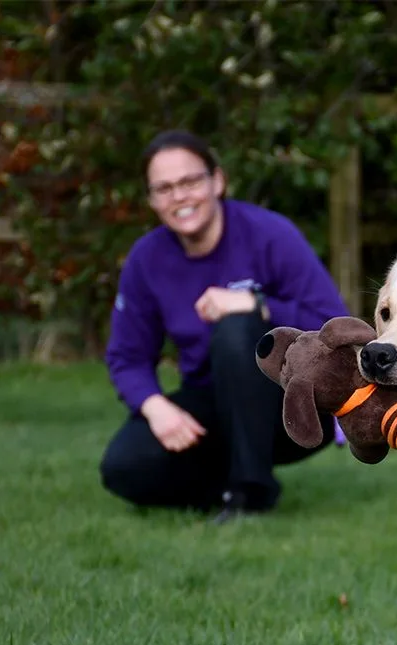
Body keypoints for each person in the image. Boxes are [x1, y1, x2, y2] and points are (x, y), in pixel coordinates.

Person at [99, 129, 350, 522]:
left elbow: (335, 325)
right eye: (163, 188)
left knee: (236, 329)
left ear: (217, 180)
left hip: (292, 403)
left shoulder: (270, 234)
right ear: (151, 200)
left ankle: (250, 494)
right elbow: (126, 356)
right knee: (124, 466)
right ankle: (228, 486)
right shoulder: (146, 260)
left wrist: (257, 304)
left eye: (189, 181)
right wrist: (156, 407)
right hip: (212, 403)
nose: (179, 196)